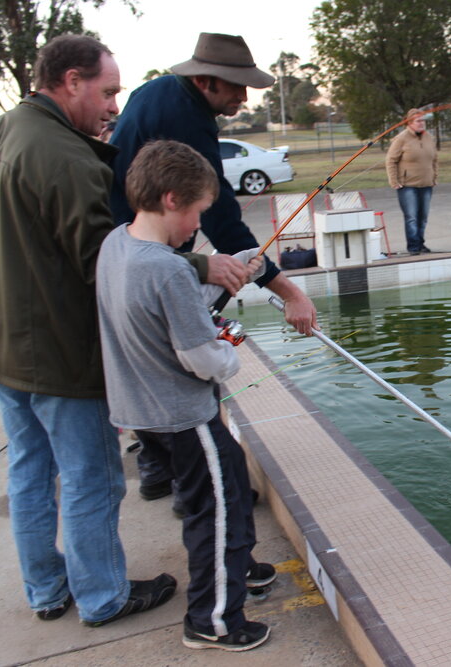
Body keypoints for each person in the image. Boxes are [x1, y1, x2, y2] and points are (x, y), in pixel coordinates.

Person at [0, 34, 177, 626]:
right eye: (108, 92)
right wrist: (194, 270)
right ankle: (103, 596)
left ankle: (47, 589)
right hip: (54, 352)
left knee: (30, 471)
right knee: (91, 476)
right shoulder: (65, 154)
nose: (114, 108)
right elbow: (107, 263)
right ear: (71, 81)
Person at [108, 32, 318, 507]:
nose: (244, 97)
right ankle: (199, 488)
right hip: (146, 248)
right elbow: (222, 219)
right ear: (205, 80)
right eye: (237, 87)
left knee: (148, 354)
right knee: (177, 360)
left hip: (122, 244)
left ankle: (156, 466)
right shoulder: (184, 116)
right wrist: (289, 293)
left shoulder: (157, 92)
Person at [97, 140, 272, 651]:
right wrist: (230, 351)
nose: (197, 226)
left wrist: (235, 269)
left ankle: (239, 569)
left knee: (226, 485)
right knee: (218, 512)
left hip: (140, 412)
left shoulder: (116, 245)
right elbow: (204, 360)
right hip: (184, 416)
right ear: (172, 199)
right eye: (197, 212)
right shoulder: (169, 269)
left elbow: (164, 311)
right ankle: (213, 621)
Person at [386, 107, 438, 255]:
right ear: (409, 123)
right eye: (418, 121)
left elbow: (434, 159)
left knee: (423, 217)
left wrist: (434, 177)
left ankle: (420, 243)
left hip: (426, 184)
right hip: (408, 185)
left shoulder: (429, 137)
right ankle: (413, 247)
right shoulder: (401, 138)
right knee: (411, 217)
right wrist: (394, 181)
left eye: (423, 120)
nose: (421, 123)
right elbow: (391, 160)